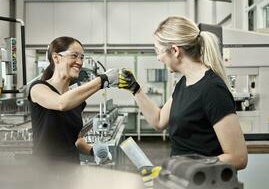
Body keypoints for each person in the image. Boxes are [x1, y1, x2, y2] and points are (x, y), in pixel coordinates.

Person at [118, 16, 248, 170]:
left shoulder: (212, 89)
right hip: (183, 179)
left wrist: (184, 166)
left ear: (175, 50)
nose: (158, 58)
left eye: (158, 52)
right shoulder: (183, 83)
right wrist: (135, 89)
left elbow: (238, 157)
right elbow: (159, 121)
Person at [28, 36, 117, 163]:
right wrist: (102, 80)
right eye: (74, 56)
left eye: (81, 57)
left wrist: (93, 152)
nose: (80, 62)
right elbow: (61, 103)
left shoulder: (76, 100)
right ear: (56, 57)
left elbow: (76, 139)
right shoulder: (38, 88)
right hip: (45, 173)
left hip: (71, 170)